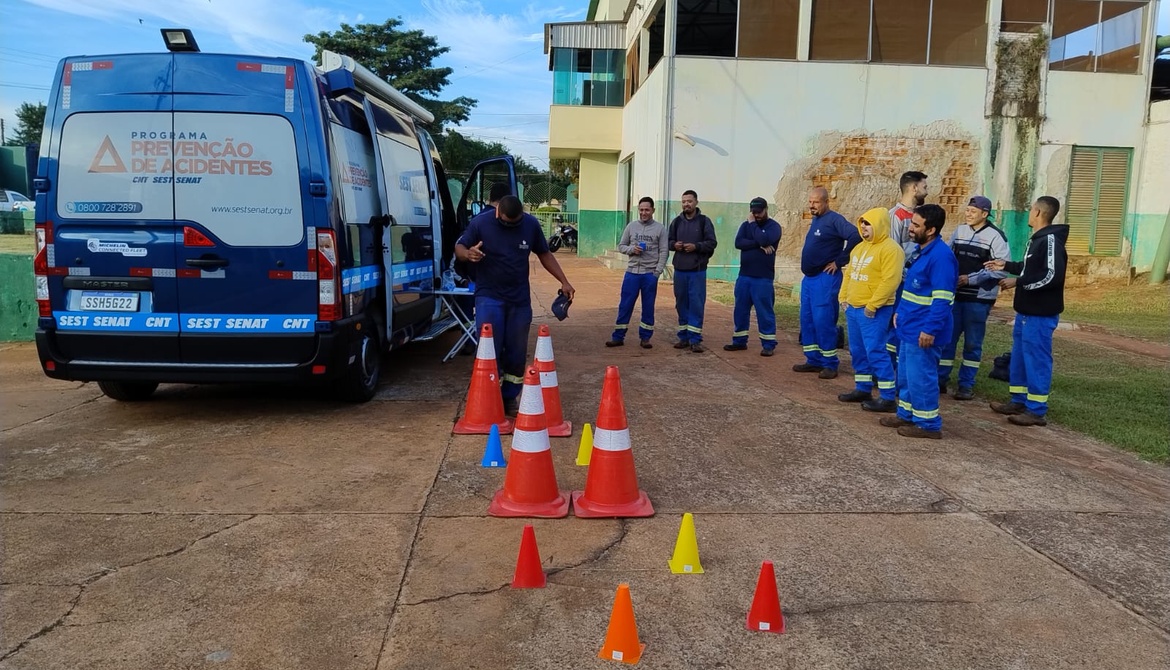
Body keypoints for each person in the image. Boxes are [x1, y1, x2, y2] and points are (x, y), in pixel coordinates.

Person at [455, 195, 576, 415]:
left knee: (516, 352)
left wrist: (564, 280)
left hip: (519, 300)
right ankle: (487, 398)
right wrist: (467, 253)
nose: (511, 226)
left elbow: (544, 253)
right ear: (497, 212)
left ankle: (509, 398)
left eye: (515, 223)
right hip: (489, 297)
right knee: (489, 349)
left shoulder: (530, 224)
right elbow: (459, 248)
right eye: (506, 222)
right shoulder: (481, 223)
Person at [985, 196, 1068, 427]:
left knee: (1037, 359)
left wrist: (1017, 282)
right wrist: (1006, 266)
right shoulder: (1037, 240)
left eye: (1032, 209)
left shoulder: (1051, 241)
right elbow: (1030, 268)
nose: (1029, 213)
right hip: (1025, 312)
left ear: (1039, 213)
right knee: (1020, 357)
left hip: (1040, 314)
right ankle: (1018, 400)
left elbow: (1052, 275)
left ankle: (1036, 409)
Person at [880, 204, 958, 439]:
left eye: (916, 225)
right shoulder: (920, 251)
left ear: (931, 229)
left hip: (923, 331)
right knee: (906, 375)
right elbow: (913, 289)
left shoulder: (942, 257)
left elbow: (943, 299)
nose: (910, 228)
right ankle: (906, 414)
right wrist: (900, 313)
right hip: (908, 326)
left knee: (921, 377)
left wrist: (929, 329)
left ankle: (928, 424)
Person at [938, 195, 1011, 400]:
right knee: (948, 340)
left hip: (979, 299)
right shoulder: (960, 231)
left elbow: (1001, 271)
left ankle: (966, 385)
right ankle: (940, 380)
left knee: (972, 344)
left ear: (985, 214)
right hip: (956, 296)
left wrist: (969, 279)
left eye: (973, 211)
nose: (968, 214)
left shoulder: (997, 237)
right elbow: (949, 257)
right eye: (968, 210)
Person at [836, 207, 905, 411]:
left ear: (880, 224)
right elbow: (849, 274)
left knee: (875, 350)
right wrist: (843, 297)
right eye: (862, 223)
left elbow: (890, 281)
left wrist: (873, 305)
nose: (864, 227)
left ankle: (887, 396)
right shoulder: (858, 248)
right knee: (857, 350)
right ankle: (863, 387)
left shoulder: (892, 250)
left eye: (868, 223)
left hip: (874, 310)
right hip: (854, 309)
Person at [792, 187, 861, 379]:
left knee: (823, 320)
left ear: (826, 202)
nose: (811, 205)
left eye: (816, 202)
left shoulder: (834, 219)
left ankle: (830, 363)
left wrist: (840, 261)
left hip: (825, 279)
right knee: (808, 319)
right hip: (810, 279)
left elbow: (855, 235)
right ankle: (813, 360)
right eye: (810, 201)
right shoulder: (817, 220)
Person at [607, 196, 669, 348]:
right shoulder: (631, 226)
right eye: (641, 210)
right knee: (625, 305)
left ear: (653, 210)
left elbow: (664, 251)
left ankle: (645, 338)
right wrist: (631, 250)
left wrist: (657, 272)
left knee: (648, 306)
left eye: (647, 210)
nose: (644, 213)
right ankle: (618, 337)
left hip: (649, 274)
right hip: (632, 273)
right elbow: (621, 246)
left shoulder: (660, 229)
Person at [724, 197, 783, 356]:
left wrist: (754, 228)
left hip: (763, 278)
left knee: (764, 312)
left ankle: (769, 344)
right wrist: (759, 244)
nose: (756, 215)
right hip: (744, 276)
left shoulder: (774, 227)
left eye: (759, 212)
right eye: (753, 212)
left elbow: (765, 238)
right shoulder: (745, 225)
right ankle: (739, 341)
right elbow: (738, 243)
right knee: (740, 310)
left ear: (766, 210)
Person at [668, 189, 718, 353]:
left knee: (696, 304)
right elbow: (668, 242)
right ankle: (683, 337)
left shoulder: (704, 222)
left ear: (696, 202)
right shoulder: (676, 222)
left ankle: (695, 339)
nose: (686, 204)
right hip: (680, 270)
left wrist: (696, 247)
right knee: (681, 303)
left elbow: (712, 243)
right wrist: (674, 245)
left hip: (697, 270)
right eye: (683, 202)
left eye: (689, 201)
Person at [889, 171, 928, 255]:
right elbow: (892, 250)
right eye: (924, 188)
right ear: (914, 188)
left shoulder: (920, 215)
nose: (926, 193)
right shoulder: (896, 215)